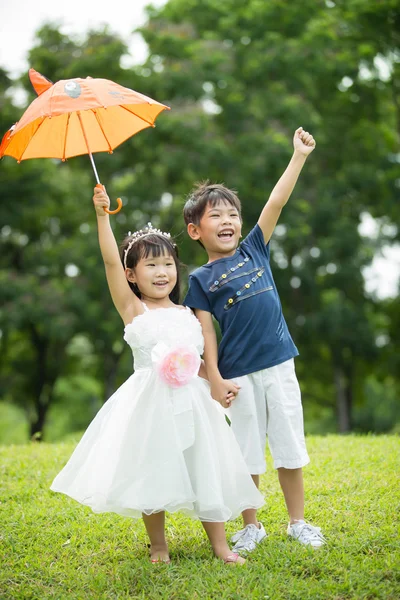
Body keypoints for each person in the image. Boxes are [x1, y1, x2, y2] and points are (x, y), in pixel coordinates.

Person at [50, 186, 264, 566]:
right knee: (155, 469)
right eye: (150, 266)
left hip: (194, 402)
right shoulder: (134, 309)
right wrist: (102, 217)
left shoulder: (188, 313)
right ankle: (159, 545)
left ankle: (220, 546)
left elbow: (197, 361)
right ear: (133, 274)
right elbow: (110, 263)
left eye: (167, 264)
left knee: (207, 466)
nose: (161, 272)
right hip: (151, 402)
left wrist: (216, 383)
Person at [183, 127, 325, 553]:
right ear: (195, 231)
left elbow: (276, 201)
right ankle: (252, 526)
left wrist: (298, 156)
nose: (227, 222)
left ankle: (298, 522)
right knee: (247, 454)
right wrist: (215, 379)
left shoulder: (254, 250)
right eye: (215, 216)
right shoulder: (199, 280)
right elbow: (205, 332)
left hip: (280, 363)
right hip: (239, 375)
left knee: (289, 446)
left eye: (231, 214)